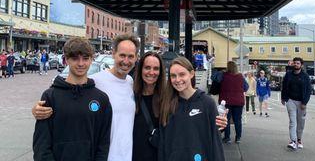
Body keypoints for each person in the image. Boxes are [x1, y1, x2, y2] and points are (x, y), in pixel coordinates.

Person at [33, 33, 139, 161]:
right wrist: (36, 109)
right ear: (113, 54)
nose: (81, 63)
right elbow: (42, 144)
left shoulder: (130, 83)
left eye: (130, 56)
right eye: (122, 55)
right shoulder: (95, 82)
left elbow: (102, 141)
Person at [159, 56, 225, 161]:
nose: (177, 80)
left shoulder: (207, 103)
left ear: (191, 74)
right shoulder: (167, 104)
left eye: (182, 74)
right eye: (173, 76)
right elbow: (163, 144)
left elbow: (215, 143)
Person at [132, 51, 166, 161]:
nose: (151, 72)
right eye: (147, 67)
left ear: (160, 72)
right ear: (140, 69)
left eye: (156, 68)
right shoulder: (130, 96)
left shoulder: (167, 98)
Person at [281, 57, 311, 150]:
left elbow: (308, 91)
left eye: (298, 63)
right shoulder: (288, 74)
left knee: (300, 122)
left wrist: (304, 102)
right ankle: (293, 141)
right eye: (294, 63)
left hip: (301, 102)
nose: (296, 65)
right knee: (293, 121)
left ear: (301, 65)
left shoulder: (305, 76)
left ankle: (299, 140)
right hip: (291, 101)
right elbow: (284, 86)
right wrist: (283, 97)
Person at [218, 61, 248, 144]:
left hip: (226, 101)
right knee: (238, 120)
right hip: (238, 101)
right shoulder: (240, 76)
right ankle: (238, 138)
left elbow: (215, 80)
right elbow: (246, 87)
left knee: (226, 119)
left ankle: (227, 138)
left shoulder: (223, 76)